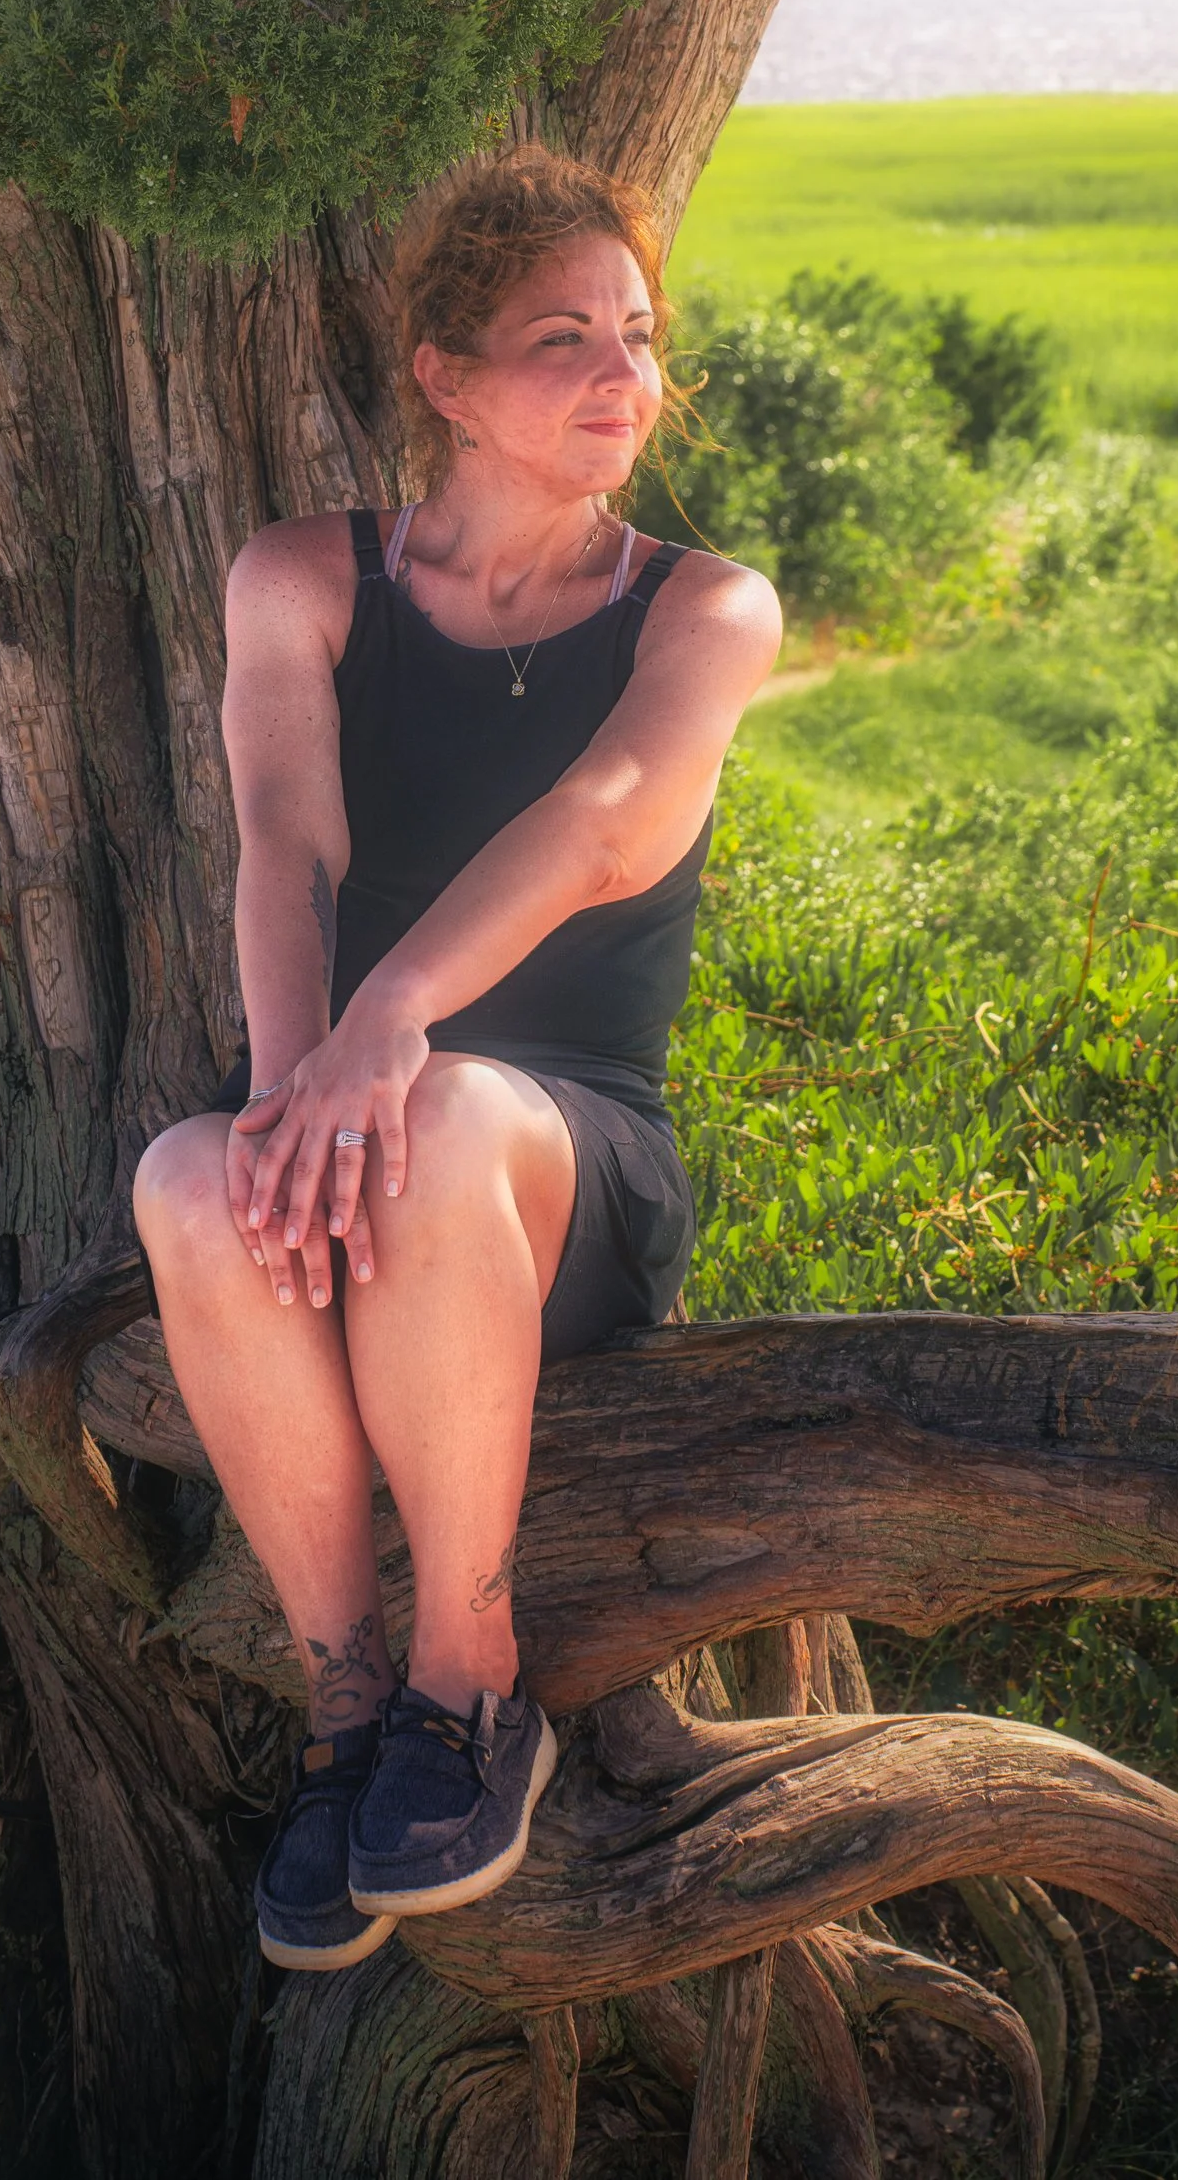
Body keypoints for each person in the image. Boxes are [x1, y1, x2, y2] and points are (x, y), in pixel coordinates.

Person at [134, 147, 780, 1972]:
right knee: (184, 1176)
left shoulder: (707, 609)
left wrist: (387, 1029)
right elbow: (286, 842)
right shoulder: (301, 579)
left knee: (439, 1118)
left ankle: (467, 1683)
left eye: (638, 335)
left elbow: (602, 824)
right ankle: (348, 1706)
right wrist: (287, 1095)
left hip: (566, 1160)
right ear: (441, 373)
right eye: (559, 336)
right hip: (360, 1107)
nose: (617, 375)